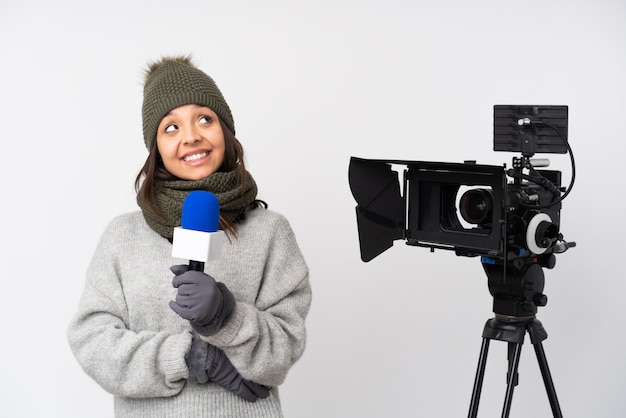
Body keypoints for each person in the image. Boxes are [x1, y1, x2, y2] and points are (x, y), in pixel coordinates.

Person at [67, 56, 312, 418]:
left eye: (204, 119)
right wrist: (190, 356)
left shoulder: (270, 232)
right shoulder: (122, 236)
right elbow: (92, 342)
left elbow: (284, 349)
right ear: (156, 149)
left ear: (225, 130)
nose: (191, 136)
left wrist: (226, 316)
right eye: (171, 127)